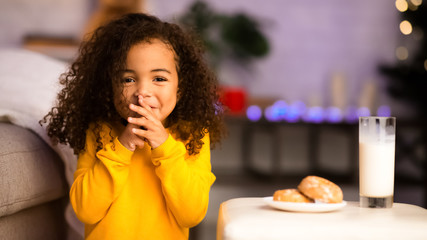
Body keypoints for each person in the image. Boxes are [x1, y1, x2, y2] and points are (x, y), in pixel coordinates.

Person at [41, 13, 225, 240]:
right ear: (108, 86)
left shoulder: (192, 135)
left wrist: (165, 147)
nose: (142, 91)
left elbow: (192, 214)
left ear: (180, 87)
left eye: (159, 79)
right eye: (128, 79)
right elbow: (85, 211)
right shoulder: (100, 132)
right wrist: (122, 147)